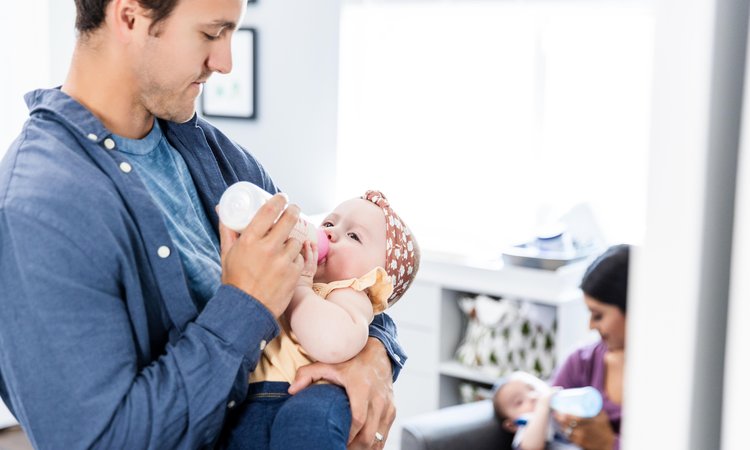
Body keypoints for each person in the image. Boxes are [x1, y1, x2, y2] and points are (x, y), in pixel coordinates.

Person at [0, 1, 406, 449]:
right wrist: (245, 303)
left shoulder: (221, 158)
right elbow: (101, 441)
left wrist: (375, 355)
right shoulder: (38, 210)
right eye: (212, 34)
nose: (226, 63)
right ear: (130, 16)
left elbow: (337, 275)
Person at [222, 190, 419, 449]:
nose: (330, 233)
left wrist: (300, 288)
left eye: (353, 236)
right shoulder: (297, 274)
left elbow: (332, 342)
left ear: (376, 276)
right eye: (329, 223)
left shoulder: (350, 294)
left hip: (301, 399)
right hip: (254, 398)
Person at [551, 244, 629, 450]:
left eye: (598, 315)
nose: (591, 326)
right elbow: (545, 413)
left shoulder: (669, 381)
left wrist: (608, 444)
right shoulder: (582, 361)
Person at [492, 371, 580, 450]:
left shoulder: (552, 415)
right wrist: (542, 405)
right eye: (519, 402)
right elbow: (531, 447)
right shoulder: (526, 427)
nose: (532, 397)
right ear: (512, 425)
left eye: (531, 389)